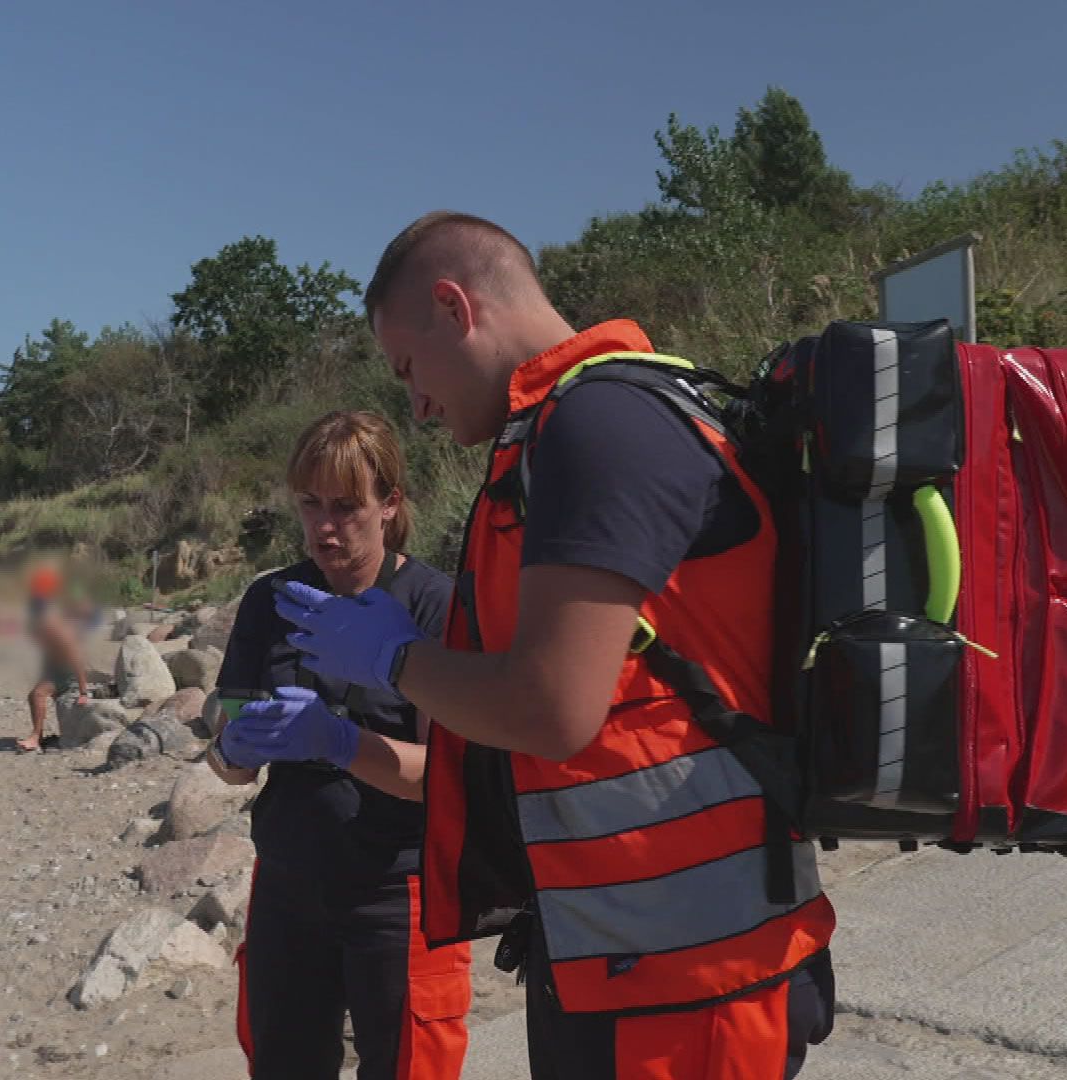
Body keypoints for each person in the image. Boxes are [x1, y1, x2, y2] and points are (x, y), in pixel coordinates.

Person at [271, 213, 836, 1080]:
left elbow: (550, 708)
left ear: (455, 306)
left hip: (686, 972)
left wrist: (393, 660)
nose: (415, 404)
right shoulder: (570, 429)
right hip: (632, 950)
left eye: (409, 368)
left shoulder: (596, 424)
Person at [210, 410, 473, 1080]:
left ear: (389, 505)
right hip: (289, 883)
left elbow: (443, 777)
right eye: (310, 504)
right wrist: (235, 749)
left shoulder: (431, 605)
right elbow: (230, 764)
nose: (325, 527)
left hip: (399, 890)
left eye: (347, 507)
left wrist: (339, 740)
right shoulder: (270, 601)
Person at [16, 563, 89, 753]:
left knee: (37, 694)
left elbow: (75, 656)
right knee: (35, 694)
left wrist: (83, 691)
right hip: (55, 671)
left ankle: (35, 737)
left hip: (67, 674)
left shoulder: (57, 624)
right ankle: (38, 736)